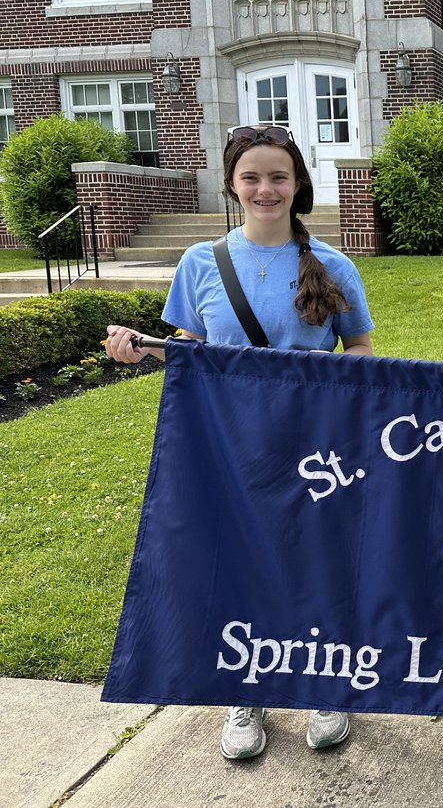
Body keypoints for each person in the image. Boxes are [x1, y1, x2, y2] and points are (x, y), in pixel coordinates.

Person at [105, 124, 375, 760]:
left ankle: (324, 679)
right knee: (234, 559)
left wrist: (341, 379)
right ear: (231, 184)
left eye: (278, 176)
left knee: (315, 558)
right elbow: (190, 353)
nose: (265, 189)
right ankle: (244, 684)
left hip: (312, 445)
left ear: (298, 183)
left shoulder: (332, 266)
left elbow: (359, 347)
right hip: (227, 446)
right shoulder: (201, 262)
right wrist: (137, 350)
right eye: (251, 177)